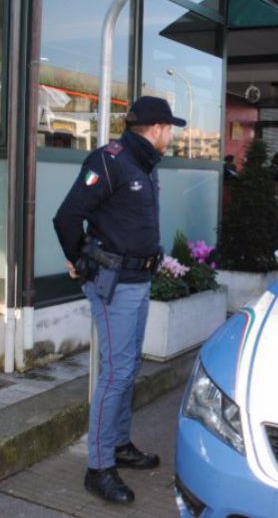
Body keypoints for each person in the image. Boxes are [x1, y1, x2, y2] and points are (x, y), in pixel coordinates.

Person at [53, 96, 185, 504]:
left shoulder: (141, 163)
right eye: (169, 128)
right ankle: (98, 467)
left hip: (138, 280)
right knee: (115, 372)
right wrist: (78, 258)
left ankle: (119, 445)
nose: (171, 135)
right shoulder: (109, 161)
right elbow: (67, 217)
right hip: (115, 284)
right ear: (157, 128)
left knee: (128, 368)